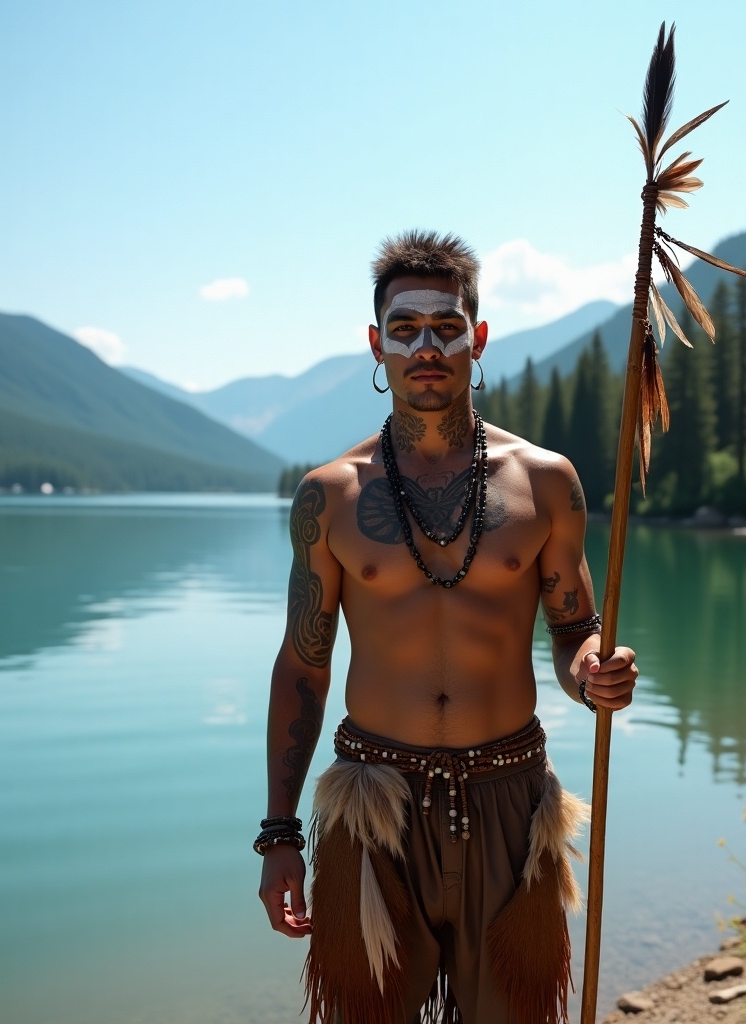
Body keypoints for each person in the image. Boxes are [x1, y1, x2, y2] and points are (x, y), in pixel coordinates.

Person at [257, 230, 637, 1024]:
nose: (425, 346)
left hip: (510, 801)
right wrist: (281, 834)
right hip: (371, 802)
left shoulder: (545, 482)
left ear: (479, 337)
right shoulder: (327, 496)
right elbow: (303, 668)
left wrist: (594, 669)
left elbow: (575, 631)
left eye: (446, 326)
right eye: (404, 329)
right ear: (377, 345)